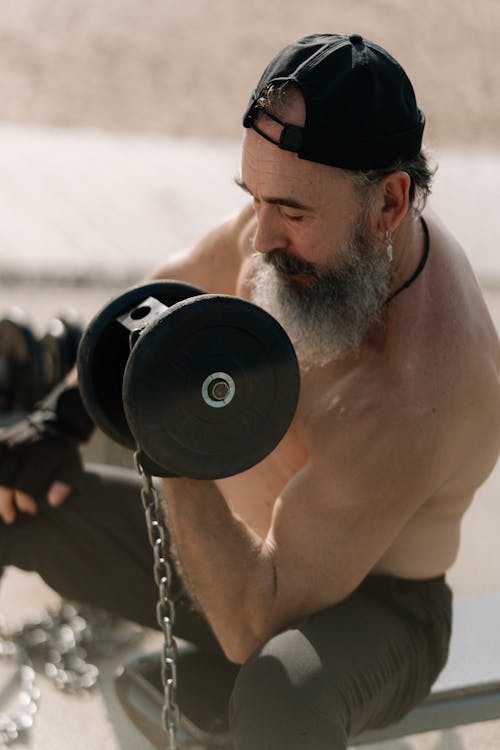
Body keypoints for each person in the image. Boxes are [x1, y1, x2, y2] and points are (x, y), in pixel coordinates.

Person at [1, 33, 499, 749]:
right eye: (253, 198)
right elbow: (156, 296)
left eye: (292, 213)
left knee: (278, 694)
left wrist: (173, 438)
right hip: (224, 548)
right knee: (9, 493)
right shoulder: (289, 225)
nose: (260, 236)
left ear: (388, 203)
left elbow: (250, 622)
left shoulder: (420, 392)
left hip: (369, 611)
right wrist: (60, 417)